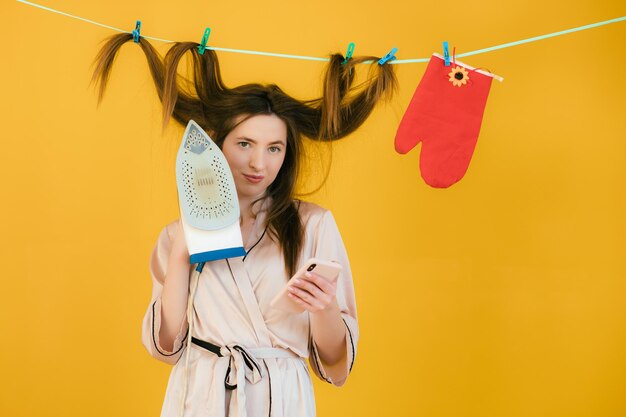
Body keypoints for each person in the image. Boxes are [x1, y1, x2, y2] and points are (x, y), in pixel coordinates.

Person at [92, 34, 396, 417]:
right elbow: (167, 344)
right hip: (199, 394)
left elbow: (335, 363)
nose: (259, 164)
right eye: (245, 144)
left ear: (287, 155)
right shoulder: (176, 234)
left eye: (274, 148)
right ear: (218, 142)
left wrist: (323, 308)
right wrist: (184, 253)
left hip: (281, 396)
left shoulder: (313, 225)